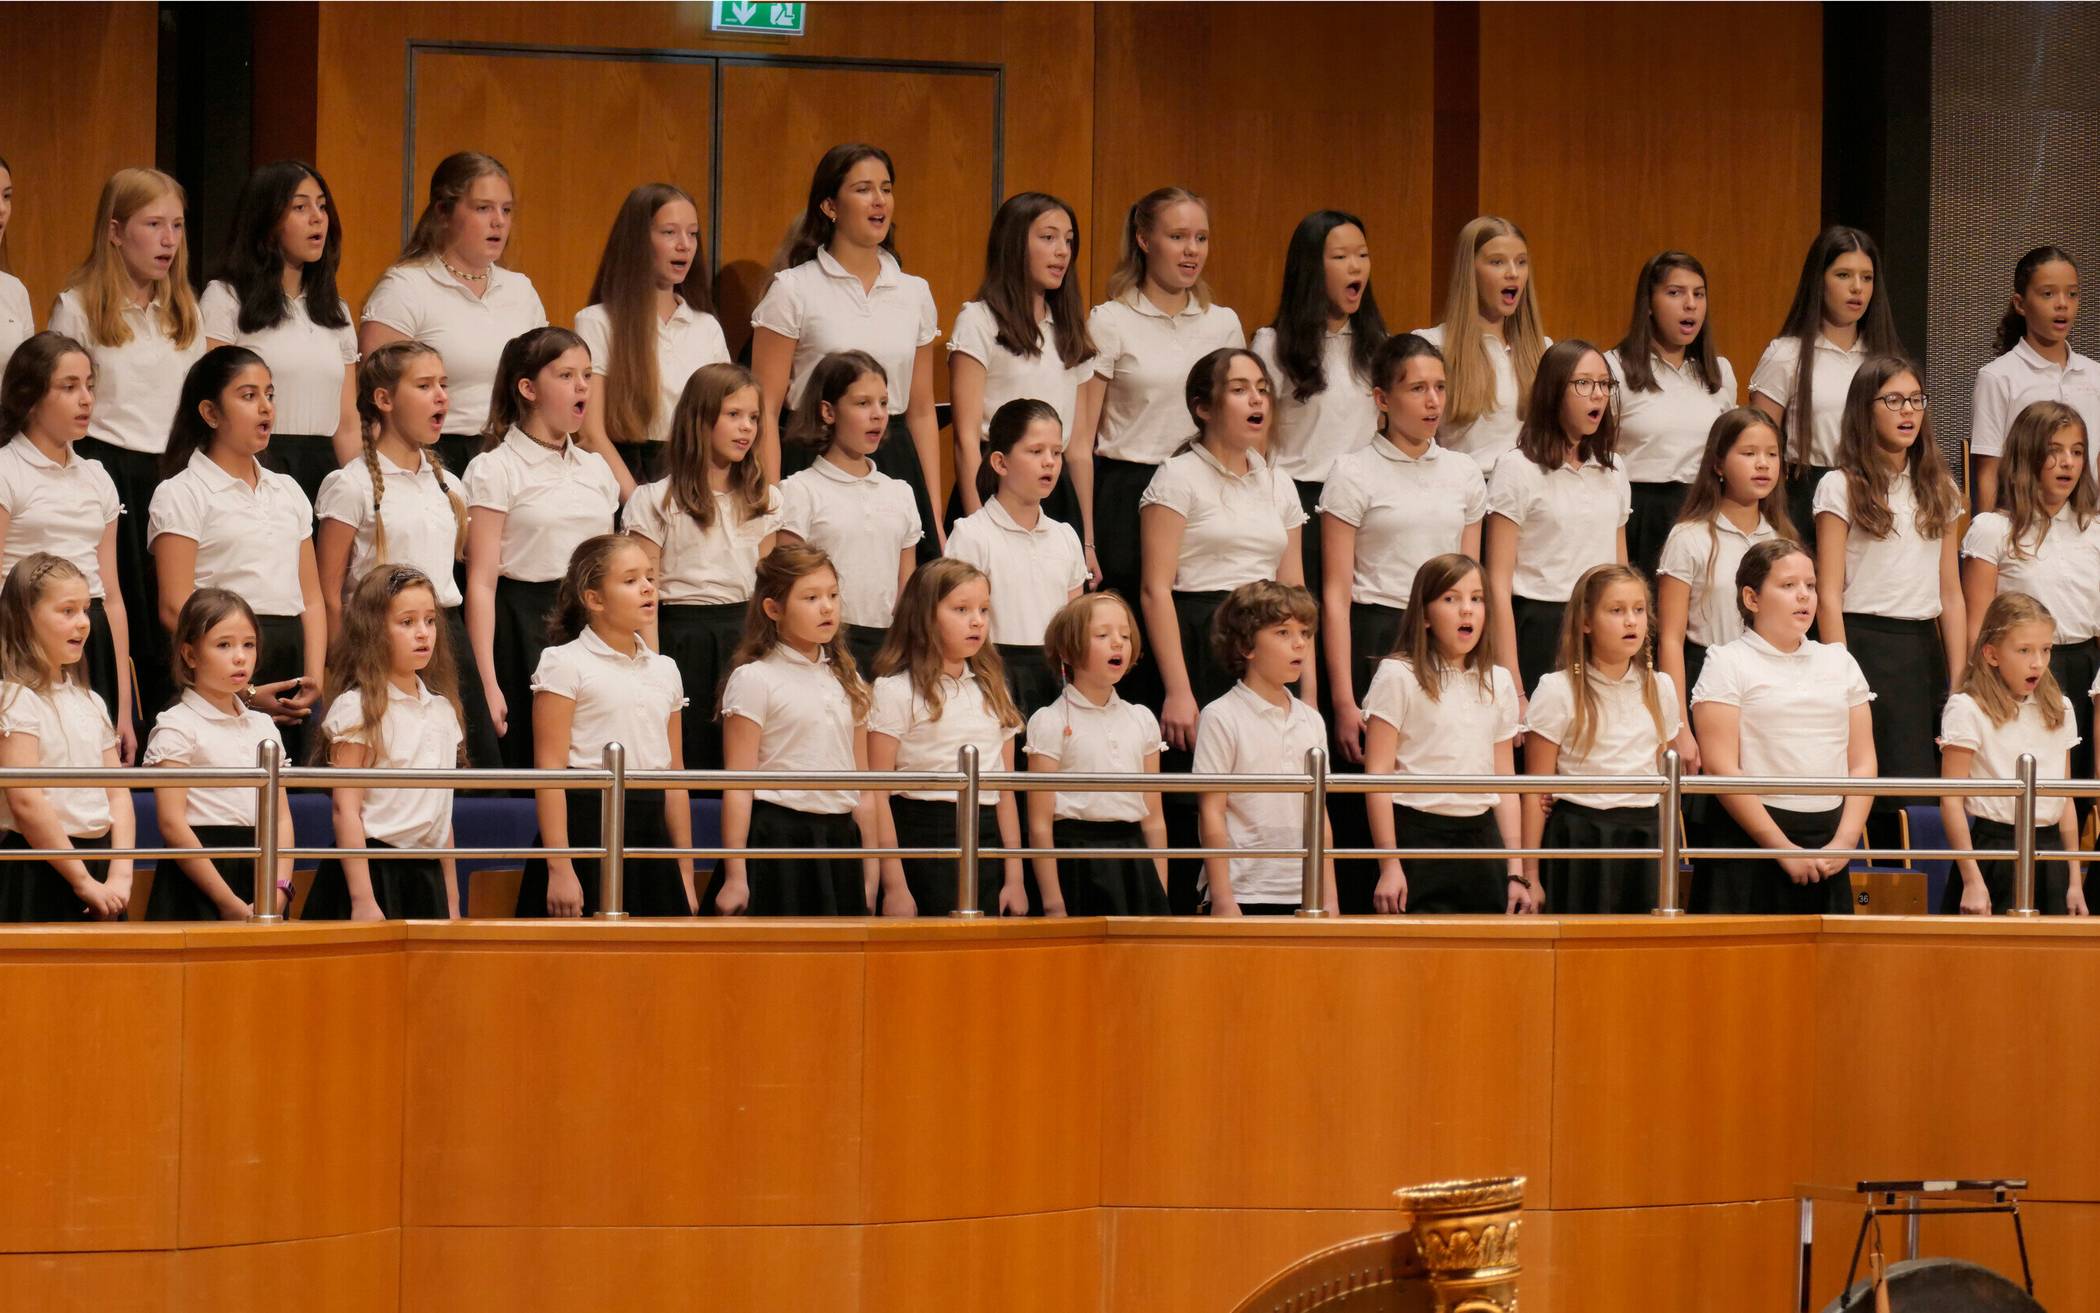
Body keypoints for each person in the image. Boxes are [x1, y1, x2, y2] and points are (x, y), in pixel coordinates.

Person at [50, 168, 206, 678]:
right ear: (115, 232)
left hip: (177, 473)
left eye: (178, 226)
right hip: (110, 470)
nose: (169, 240)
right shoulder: (78, 308)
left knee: (176, 614)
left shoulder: (185, 312)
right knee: (124, 610)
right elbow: (58, 405)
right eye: (153, 224)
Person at [751, 144, 941, 552]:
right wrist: (772, 503)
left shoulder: (914, 292)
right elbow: (764, 407)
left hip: (893, 458)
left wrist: (935, 516)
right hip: (815, 453)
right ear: (830, 206)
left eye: (886, 189)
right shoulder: (794, 289)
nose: (879, 201)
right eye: (863, 189)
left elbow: (923, 411)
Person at [313, 340, 495, 767]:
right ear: (385, 399)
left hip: (442, 640)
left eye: (444, 385)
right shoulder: (351, 485)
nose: (441, 396)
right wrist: (346, 666)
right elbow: (328, 590)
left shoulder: (450, 485)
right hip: (378, 641)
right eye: (425, 385)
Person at [1812, 357, 1966, 848]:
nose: (1908, 411)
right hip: (1863, 643)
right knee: (1865, 785)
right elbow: (1828, 593)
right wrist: (1842, 671)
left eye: (1916, 399)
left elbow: (1950, 593)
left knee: (1915, 788)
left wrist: (1958, 679)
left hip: (1920, 649)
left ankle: (1914, 894)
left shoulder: (1940, 487)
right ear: (1866, 408)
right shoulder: (1841, 485)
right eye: (1893, 400)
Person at [1069, 186, 1245, 604]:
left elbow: (1241, 427)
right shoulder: (1111, 321)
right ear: (1145, 240)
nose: (1192, 251)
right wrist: (1088, 540)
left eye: (1201, 238)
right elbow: (1080, 444)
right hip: (1128, 491)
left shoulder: (1221, 324)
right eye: (1178, 237)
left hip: (1204, 488)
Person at [148, 347, 323, 759]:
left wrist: (314, 676)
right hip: (224, 656)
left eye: (270, 394)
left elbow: (311, 599)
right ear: (210, 413)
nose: (265, 407)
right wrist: (243, 688)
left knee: (290, 797)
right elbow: (176, 606)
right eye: (248, 396)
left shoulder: (288, 490)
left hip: (288, 656)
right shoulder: (181, 493)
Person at [462, 327, 620, 771]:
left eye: (587, 375)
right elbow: (481, 583)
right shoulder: (495, 469)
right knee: (536, 762)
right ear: (528, 388)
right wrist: (486, 683)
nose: (582, 386)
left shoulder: (596, 469)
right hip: (524, 627)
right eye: (566, 375)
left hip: (591, 622)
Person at [513, 535, 695, 918]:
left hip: (650, 835)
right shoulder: (564, 663)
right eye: (630, 581)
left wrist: (685, 871)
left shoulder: (666, 670)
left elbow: (675, 776)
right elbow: (549, 772)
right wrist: (561, 867)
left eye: (649, 576)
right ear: (593, 599)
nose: (647, 587)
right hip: (586, 828)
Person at [1690, 538, 1875, 914]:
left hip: (1828, 843)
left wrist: (1845, 841)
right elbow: (1722, 767)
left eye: (1810, 585)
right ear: (1752, 598)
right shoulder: (1727, 662)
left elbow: (1863, 762)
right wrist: (1781, 848)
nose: (1804, 596)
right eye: (1788, 586)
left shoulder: (1839, 661)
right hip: (1749, 840)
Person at [623, 362, 780, 773]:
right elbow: (646, 592)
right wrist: (652, 670)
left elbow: (768, 589)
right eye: (733, 415)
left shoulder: (766, 501)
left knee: (737, 758)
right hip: (681, 638)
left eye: (753, 418)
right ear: (699, 418)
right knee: (684, 756)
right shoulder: (656, 501)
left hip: (743, 637)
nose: (746, 428)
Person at [709, 543, 878, 916]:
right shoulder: (755, 678)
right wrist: (736, 876)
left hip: (839, 840)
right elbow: (738, 785)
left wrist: (871, 870)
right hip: (779, 839)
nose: (827, 607)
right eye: (811, 597)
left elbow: (864, 785)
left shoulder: (848, 679)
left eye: (833, 595)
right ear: (773, 608)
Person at [358, 151, 547, 476]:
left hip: (512, 458)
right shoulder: (406, 287)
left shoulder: (521, 291)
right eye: (483, 208)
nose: (498, 221)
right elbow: (374, 403)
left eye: (506, 209)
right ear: (443, 212)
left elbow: (544, 386)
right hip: (432, 458)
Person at [1362, 553, 1529, 915]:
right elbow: (1377, 778)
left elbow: (1505, 784)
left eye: (1477, 598)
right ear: (1424, 615)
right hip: (1417, 833)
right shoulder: (1397, 675)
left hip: (1481, 839)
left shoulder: (1498, 681)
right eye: (1451, 599)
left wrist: (1515, 872)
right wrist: (1389, 865)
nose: (1466, 610)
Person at [302, 566, 464, 920]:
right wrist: (362, 899)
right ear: (374, 630)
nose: (423, 633)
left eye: (430, 621)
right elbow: (346, 810)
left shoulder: (442, 710)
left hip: (425, 872)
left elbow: (442, 814)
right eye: (407, 623)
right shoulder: (357, 708)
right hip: (372, 870)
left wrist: (452, 900)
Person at [866, 558, 1025, 917]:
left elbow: (1006, 789)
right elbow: (876, 793)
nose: (977, 621)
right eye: (961, 609)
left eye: (984, 609)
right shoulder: (894, 691)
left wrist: (1013, 877)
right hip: (921, 836)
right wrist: (895, 885)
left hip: (984, 839)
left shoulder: (992, 688)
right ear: (924, 616)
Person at [0, 331, 133, 756]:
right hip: (25, 632)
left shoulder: (96, 476)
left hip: (87, 629)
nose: (86, 399)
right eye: (69, 387)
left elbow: (111, 596)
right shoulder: (7, 469)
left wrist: (124, 710)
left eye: (90, 386)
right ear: (31, 397)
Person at [1522, 564, 1683, 914]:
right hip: (1580, 835)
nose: (1631, 621)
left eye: (1639, 610)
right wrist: (1529, 875)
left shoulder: (1662, 688)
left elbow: (1663, 780)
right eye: (1616, 610)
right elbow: (1535, 791)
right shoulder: (1557, 689)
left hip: (1644, 836)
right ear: (1585, 622)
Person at [1959, 400, 2100, 793]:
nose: (2067, 464)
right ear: (2027, 455)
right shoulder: (1993, 530)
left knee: (2081, 793)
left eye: (2076, 452)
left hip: (2087, 670)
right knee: (2029, 788)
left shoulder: (2093, 531)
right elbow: (1978, 624)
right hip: (2022, 671)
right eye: (2053, 451)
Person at [199, 159, 358, 498]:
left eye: (322, 206)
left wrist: (361, 490)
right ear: (267, 221)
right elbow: (213, 399)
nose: (317, 217)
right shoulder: (226, 299)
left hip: (324, 472)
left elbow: (346, 424)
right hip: (256, 464)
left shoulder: (336, 311)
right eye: (300, 207)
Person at [1484, 339, 1632, 699]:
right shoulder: (1517, 469)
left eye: (1603, 384)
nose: (1597, 395)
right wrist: (1511, 679)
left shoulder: (1613, 470)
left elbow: (1620, 571)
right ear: (1553, 391)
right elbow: (1497, 583)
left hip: (1600, 624)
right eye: (1583, 383)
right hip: (1539, 626)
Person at [1251, 209, 1385, 590]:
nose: (1355, 266)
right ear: (1312, 268)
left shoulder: (1377, 345)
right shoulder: (1273, 344)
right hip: (1302, 500)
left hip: (1362, 503)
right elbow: (1256, 438)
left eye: (1362, 254)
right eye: (1341, 257)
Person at [946, 190, 1095, 527]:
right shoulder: (979, 320)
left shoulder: (1070, 330)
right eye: (1048, 238)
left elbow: (1079, 449)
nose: (1062, 252)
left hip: (1056, 490)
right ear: (1013, 245)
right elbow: (966, 438)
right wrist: (977, 526)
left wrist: (1087, 538)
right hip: (997, 481)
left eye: (1069, 241)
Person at [142, 588, 292, 920]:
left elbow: (281, 818)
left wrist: (280, 888)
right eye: (224, 645)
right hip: (200, 876)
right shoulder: (177, 725)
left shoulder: (264, 726)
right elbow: (172, 822)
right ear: (190, 655)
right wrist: (226, 901)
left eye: (248, 644)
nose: (240, 657)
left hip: (260, 870)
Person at [1654, 408, 1794, 764]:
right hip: (1706, 677)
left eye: (1772, 454)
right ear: (1718, 464)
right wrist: (1679, 726)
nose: (1762, 464)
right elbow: (1670, 637)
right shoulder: (1690, 537)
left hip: (1769, 684)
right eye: (1748, 454)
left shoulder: (1782, 540)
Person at [1191, 579, 1337, 915]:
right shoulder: (1221, 716)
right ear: (1246, 646)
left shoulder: (1311, 720)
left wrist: (1329, 897)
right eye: (1283, 633)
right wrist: (1224, 899)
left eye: (1304, 633)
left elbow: (1319, 815)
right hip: (1246, 891)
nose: (1299, 644)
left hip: (1304, 890)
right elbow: (1211, 811)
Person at [0, 554, 131, 921]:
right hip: (40, 868)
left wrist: (120, 874)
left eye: (86, 610)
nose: (84, 624)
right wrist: (82, 880)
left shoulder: (91, 700)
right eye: (67, 611)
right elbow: (26, 799)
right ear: (25, 617)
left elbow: (117, 792)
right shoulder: (14, 698)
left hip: (102, 868)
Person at [574, 182, 728, 492]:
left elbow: (723, 420)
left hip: (692, 480)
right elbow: (591, 434)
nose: (684, 245)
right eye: (669, 232)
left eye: (693, 233)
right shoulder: (598, 322)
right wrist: (637, 503)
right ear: (638, 240)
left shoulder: (706, 327)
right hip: (625, 478)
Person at [1023, 591, 1168, 917]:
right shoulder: (1050, 721)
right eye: (1103, 635)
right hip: (1077, 860)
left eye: (1125, 635)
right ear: (1068, 651)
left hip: (1133, 857)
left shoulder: (1141, 719)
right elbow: (1040, 824)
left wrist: (1159, 886)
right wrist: (1052, 900)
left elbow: (1154, 817)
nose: (1118, 642)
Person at [1748, 225, 1903, 532]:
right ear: (1819, 280)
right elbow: (1758, 441)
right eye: (1843, 275)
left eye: (1867, 277)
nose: (1857, 287)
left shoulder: (1884, 357)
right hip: (1806, 495)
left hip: (1876, 494)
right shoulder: (1787, 354)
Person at [774, 350, 922, 669]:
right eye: (862, 403)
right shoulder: (801, 491)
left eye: (883, 403)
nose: (878, 415)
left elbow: (906, 587)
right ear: (828, 412)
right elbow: (787, 583)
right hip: (823, 648)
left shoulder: (900, 493)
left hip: (886, 649)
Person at [1939, 592, 2084, 916]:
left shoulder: (2059, 708)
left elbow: (2066, 799)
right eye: (2024, 651)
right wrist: (1972, 879)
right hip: (1994, 850)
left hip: (2049, 853)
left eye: (2046, 650)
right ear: (1991, 654)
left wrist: (2074, 879)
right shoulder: (1967, 708)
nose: (2038, 662)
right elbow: (1951, 800)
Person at [942, 397, 1086, 724]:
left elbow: (1073, 627)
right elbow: (957, 620)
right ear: (1000, 463)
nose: (1049, 462)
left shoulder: (1065, 536)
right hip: (991, 676)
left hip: (1055, 683)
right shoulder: (972, 534)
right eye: (1036, 452)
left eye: (1056, 452)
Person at [1606, 250, 1738, 575]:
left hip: (1702, 511)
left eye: (1699, 294)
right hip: (1640, 515)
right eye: (1675, 293)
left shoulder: (1719, 373)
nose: (1690, 304)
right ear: (1649, 304)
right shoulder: (1614, 368)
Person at [1411, 215, 1549, 474]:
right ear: (1469, 270)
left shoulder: (1544, 351)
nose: (1513, 273)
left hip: (1528, 498)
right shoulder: (1431, 346)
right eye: (1497, 262)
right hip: (1462, 494)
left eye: (1521, 262)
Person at [1969, 245, 2100, 512]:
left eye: (2072, 294)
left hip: (2085, 526)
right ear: (2020, 303)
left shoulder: (2094, 374)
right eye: (2048, 294)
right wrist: (1984, 534)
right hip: (2021, 525)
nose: (2062, 303)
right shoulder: (1998, 377)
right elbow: (1988, 473)